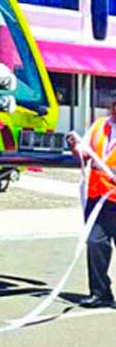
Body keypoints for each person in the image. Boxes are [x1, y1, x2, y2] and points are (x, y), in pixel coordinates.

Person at [68, 99, 116, 308]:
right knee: (96, 243)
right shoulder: (100, 126)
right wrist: (75, 148)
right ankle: (100, 292)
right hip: (98, 197)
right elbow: (85, 154)